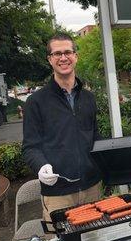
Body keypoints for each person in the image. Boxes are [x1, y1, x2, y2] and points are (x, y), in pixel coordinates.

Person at [22, 34, 102, 221]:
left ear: (76, 56)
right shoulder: (36, 101)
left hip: (92, 188)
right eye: (57, 53)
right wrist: (41, 166)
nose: (63, 58)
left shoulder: (88, 98)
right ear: (50, 59)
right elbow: (30, 146)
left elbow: (94, 136)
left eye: (67, 52)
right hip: (57, 193)